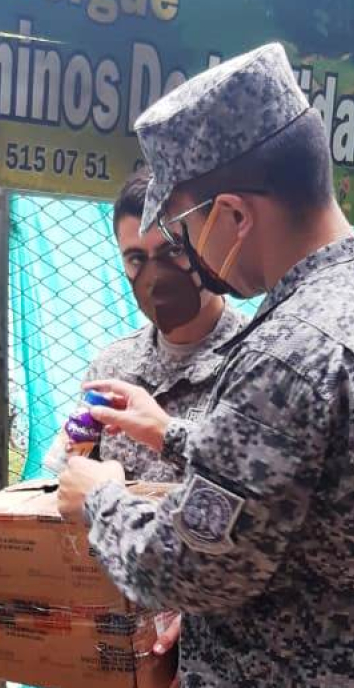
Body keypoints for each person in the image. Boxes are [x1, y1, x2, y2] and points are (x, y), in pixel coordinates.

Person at [58, 43, 354, 687]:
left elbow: (193, 567)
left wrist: (100, 500)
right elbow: (319, 481)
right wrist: (170, 432)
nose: (184, 254)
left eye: (181, 232)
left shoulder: (289, 353)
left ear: (232, 216)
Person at [85, 170, 246, 484]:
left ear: (205, 242)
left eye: (173, 250)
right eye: (135, 259)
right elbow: (71, 476)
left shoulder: (254, 362)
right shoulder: (111, 370)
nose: (155, 275)